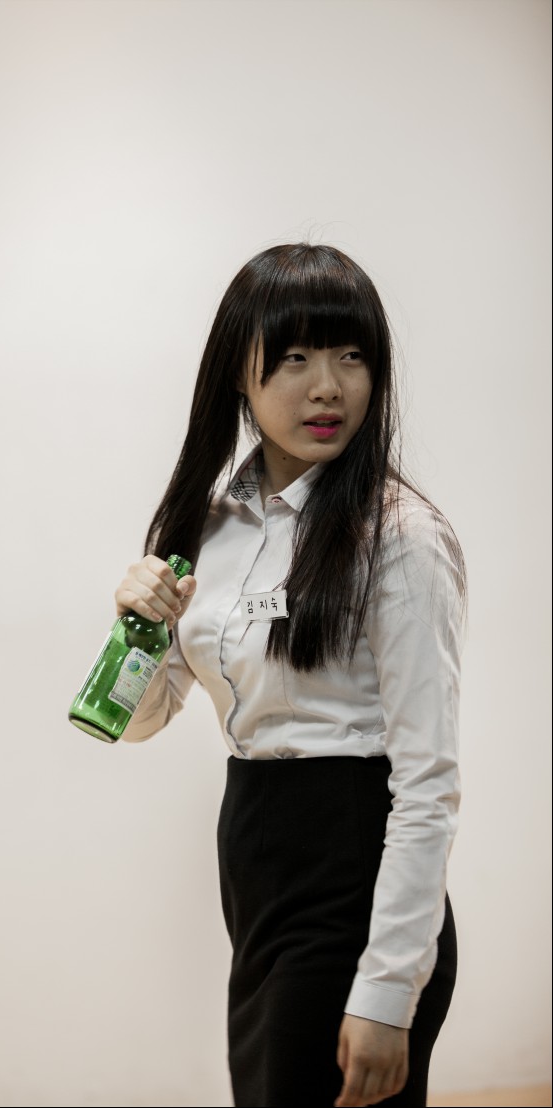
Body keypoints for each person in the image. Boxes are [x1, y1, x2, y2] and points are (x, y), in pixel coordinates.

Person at [113, 243, 465, 1108]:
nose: (328, 388)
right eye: (297, 356)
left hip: (353, 863)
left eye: (352, 356)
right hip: (255, 860)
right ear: (240, 371)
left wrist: (388, 992)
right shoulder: (207, 524)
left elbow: (428, 782)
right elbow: (140, 720)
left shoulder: (399, 538)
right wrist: (136, 629)